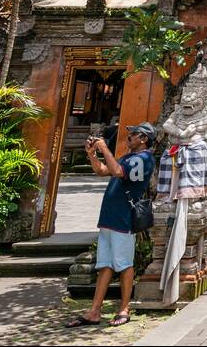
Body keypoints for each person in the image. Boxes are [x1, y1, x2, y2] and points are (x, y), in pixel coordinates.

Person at [67, 122, 157, 327]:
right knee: (105, 265)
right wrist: (92, 154)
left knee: (124, 265)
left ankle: (124, 308)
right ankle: (94, 311)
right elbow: (103, 170)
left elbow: (117, 171)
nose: (129, 137)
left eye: (134, 134)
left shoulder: (144, 159)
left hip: (123, 220)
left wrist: (104, 148)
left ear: (144, 139)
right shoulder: (128, 158)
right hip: (109, 219)